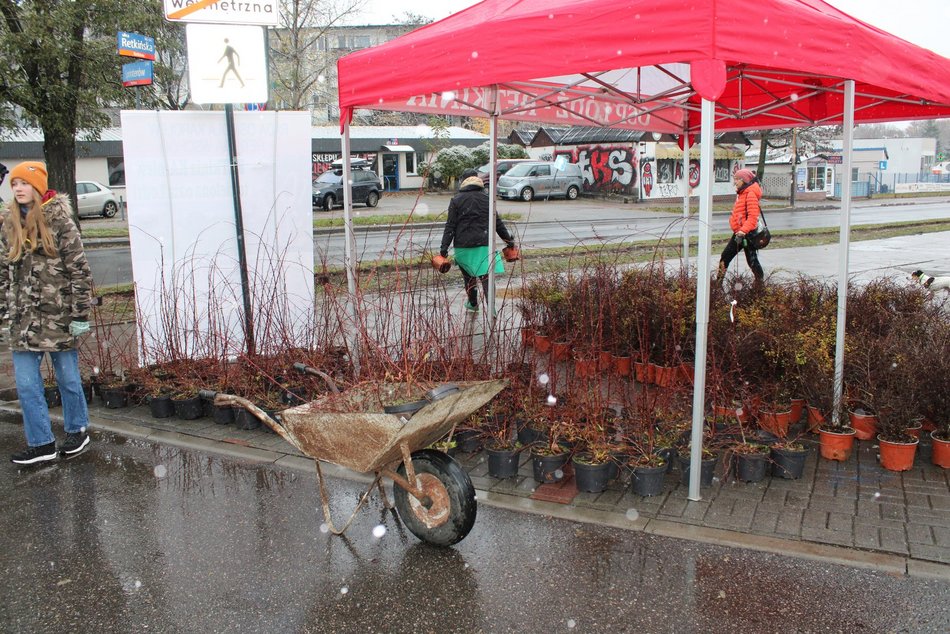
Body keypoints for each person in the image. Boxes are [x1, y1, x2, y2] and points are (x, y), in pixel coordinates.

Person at [1, 161, 93, 464]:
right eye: (14, 184)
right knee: (27, 385)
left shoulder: (60, 223)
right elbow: (3, 274)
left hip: (58, 318)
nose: (18, 189)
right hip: (22, 323)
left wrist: (80, 315)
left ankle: (77, 430)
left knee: (67, 379)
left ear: (38, 187)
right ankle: (42, 444)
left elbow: (79, 271)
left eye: (24, 183)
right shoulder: (9, 224)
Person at [439, 168, 517, 312]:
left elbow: (450, 226)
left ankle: (473, 303)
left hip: (463, 245)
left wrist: (444, 249)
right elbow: (497, 222)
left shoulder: (456, 200)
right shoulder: (487, 199)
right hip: (484, 244)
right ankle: (491, 308)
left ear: (463, 181)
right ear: (478, 180)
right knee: (486, 276)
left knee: (469, 277)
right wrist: (508, 241)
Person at [718, 168, 765, 283]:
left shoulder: (750, 194)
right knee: (727, 256)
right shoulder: (742, 193)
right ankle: (717, 284)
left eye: (736, 179)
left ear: (743, 180)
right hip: (740, 233)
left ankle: (760, 285)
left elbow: (753, 217)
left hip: (747, 234)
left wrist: (743, 231)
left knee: (751, 260)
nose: (735, 182)